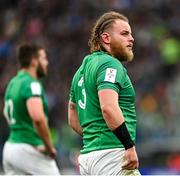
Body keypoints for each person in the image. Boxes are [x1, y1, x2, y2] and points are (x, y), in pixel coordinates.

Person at [68, 11, 141, 175]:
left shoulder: (81, 71)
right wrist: (128, 146)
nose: (131, 38)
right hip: (113, 156)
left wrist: (94, 137)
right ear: (106, 38)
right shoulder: (110, 64)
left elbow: (72, 113)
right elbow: (108, 107)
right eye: (124, 33)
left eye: (130, 34)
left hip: (88, 158)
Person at [3, 43, 60, 175]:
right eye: (44, 58)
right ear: (34, 62)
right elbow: (38, 118)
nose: (47, 63)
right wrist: (49, 147)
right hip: (28, 147)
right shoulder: (31, 84)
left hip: (10, 147)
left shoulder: (12, 83)